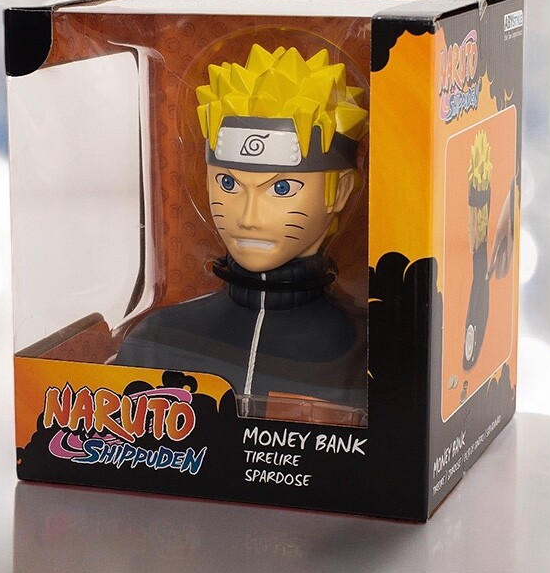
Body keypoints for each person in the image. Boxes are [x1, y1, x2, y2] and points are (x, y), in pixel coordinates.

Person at [114, 44, 368, 421]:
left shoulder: (368, 356)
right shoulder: (156, 343)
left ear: (341, 190)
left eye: (281, 188)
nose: (248, 217)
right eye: (229, 184)